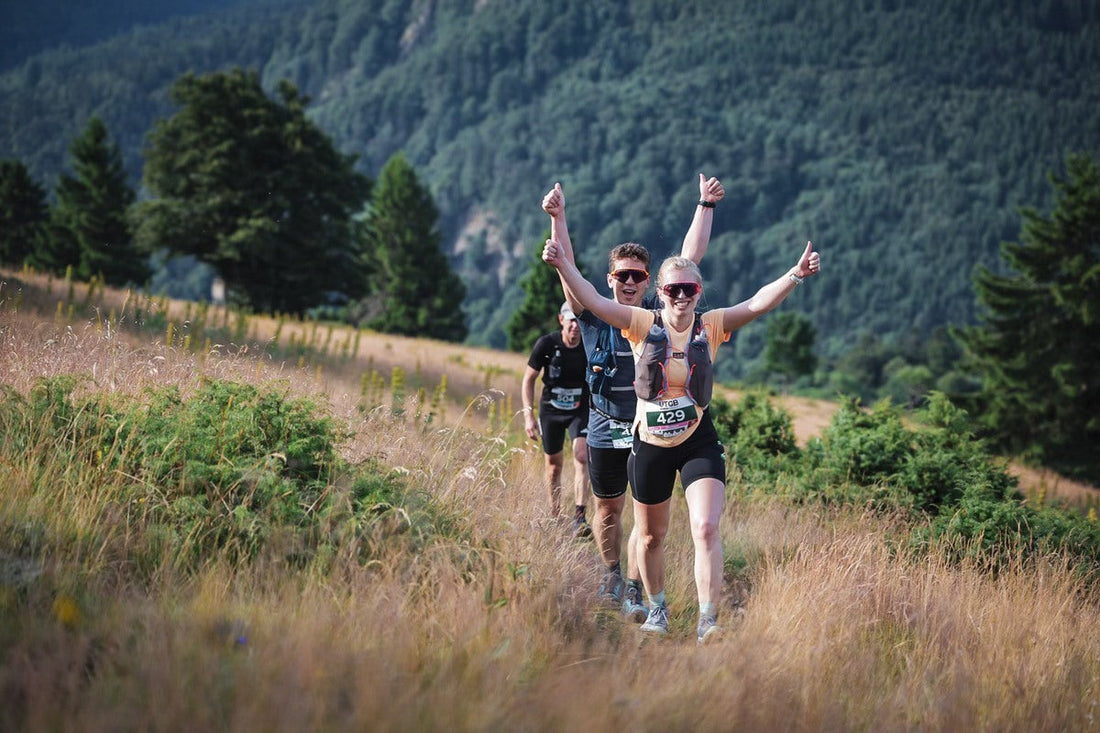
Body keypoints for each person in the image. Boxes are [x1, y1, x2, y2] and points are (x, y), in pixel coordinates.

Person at [543, 234, 821, 643]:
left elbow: (758, 303)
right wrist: (562, 263)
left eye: (688, 289)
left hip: (697, 442)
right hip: (650, 444)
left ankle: (708, 620)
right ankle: (657, 607)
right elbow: (594, 300)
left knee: (706, 527)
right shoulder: (640, 323)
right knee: (652, 536)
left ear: (699, 291)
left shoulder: (712, 325)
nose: (680, 296)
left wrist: (795, 275)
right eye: (672, 289)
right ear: (660, 293)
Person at [541, 174, 725, 622]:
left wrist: (705, 204)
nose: (629, 282)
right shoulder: (595, 315)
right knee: (608, 507)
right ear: (611, 279)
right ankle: (611, 573)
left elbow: (688, 258)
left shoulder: (656, 316)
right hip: (606, 420)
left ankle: (637, 592)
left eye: (637, 276)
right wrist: (557, 217)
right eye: (622, 275)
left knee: (643, 522)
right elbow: (569, 271)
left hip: (650, 428)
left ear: (649, 284)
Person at [521, 301, 592, 537]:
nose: (575, 325)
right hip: (551, 410)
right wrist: (528, 415)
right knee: (554, 466)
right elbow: (528, 379)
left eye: (578, 320)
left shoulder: (589, 345)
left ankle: (580, 518)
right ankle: (555, 513)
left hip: (579, 409)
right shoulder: (546, 344)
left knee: (582, 455)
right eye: (570, 320)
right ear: (561, 320)